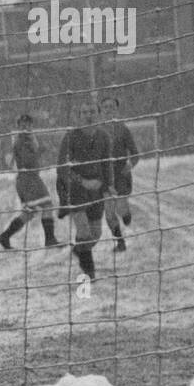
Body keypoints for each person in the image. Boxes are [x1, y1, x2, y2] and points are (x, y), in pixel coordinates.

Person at [56, 99, 113, 281]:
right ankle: (89, 273)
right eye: (85, 112)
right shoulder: (70, 137)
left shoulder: (104, 137)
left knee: (95, 234)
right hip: (76, 190)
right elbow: (63, 167)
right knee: (84, 232)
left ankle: (79, 250)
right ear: (79, 116)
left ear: (98, 114)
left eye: (92, 112)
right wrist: (81, 181)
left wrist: (107, 185)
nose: (89, 116)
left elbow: (106, 164)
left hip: (96, 191)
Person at [0, 113, 61, 249]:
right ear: (18, 126)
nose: (26, 126)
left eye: (28, 124)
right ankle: (50, 240)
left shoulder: (28, 138)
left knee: (29, 212)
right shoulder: (23, 140)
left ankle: (5, 236)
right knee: (47, 205)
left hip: (28, 178)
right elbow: (27, 161)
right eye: (22, 124)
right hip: (28, 179)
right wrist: (40, 152)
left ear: (32, 125)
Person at [97, 95, 139, 252]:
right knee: (108, 214)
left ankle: (126, 214)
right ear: (101, 111)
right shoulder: (96, 131)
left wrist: (130, 165)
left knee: (121, 209)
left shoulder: (123, 129)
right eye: (105, 107)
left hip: (121, 174)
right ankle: (120, 241)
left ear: (116, 110)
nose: (108, 110)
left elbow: (135, 153)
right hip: (105, 177)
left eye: (111, 107)